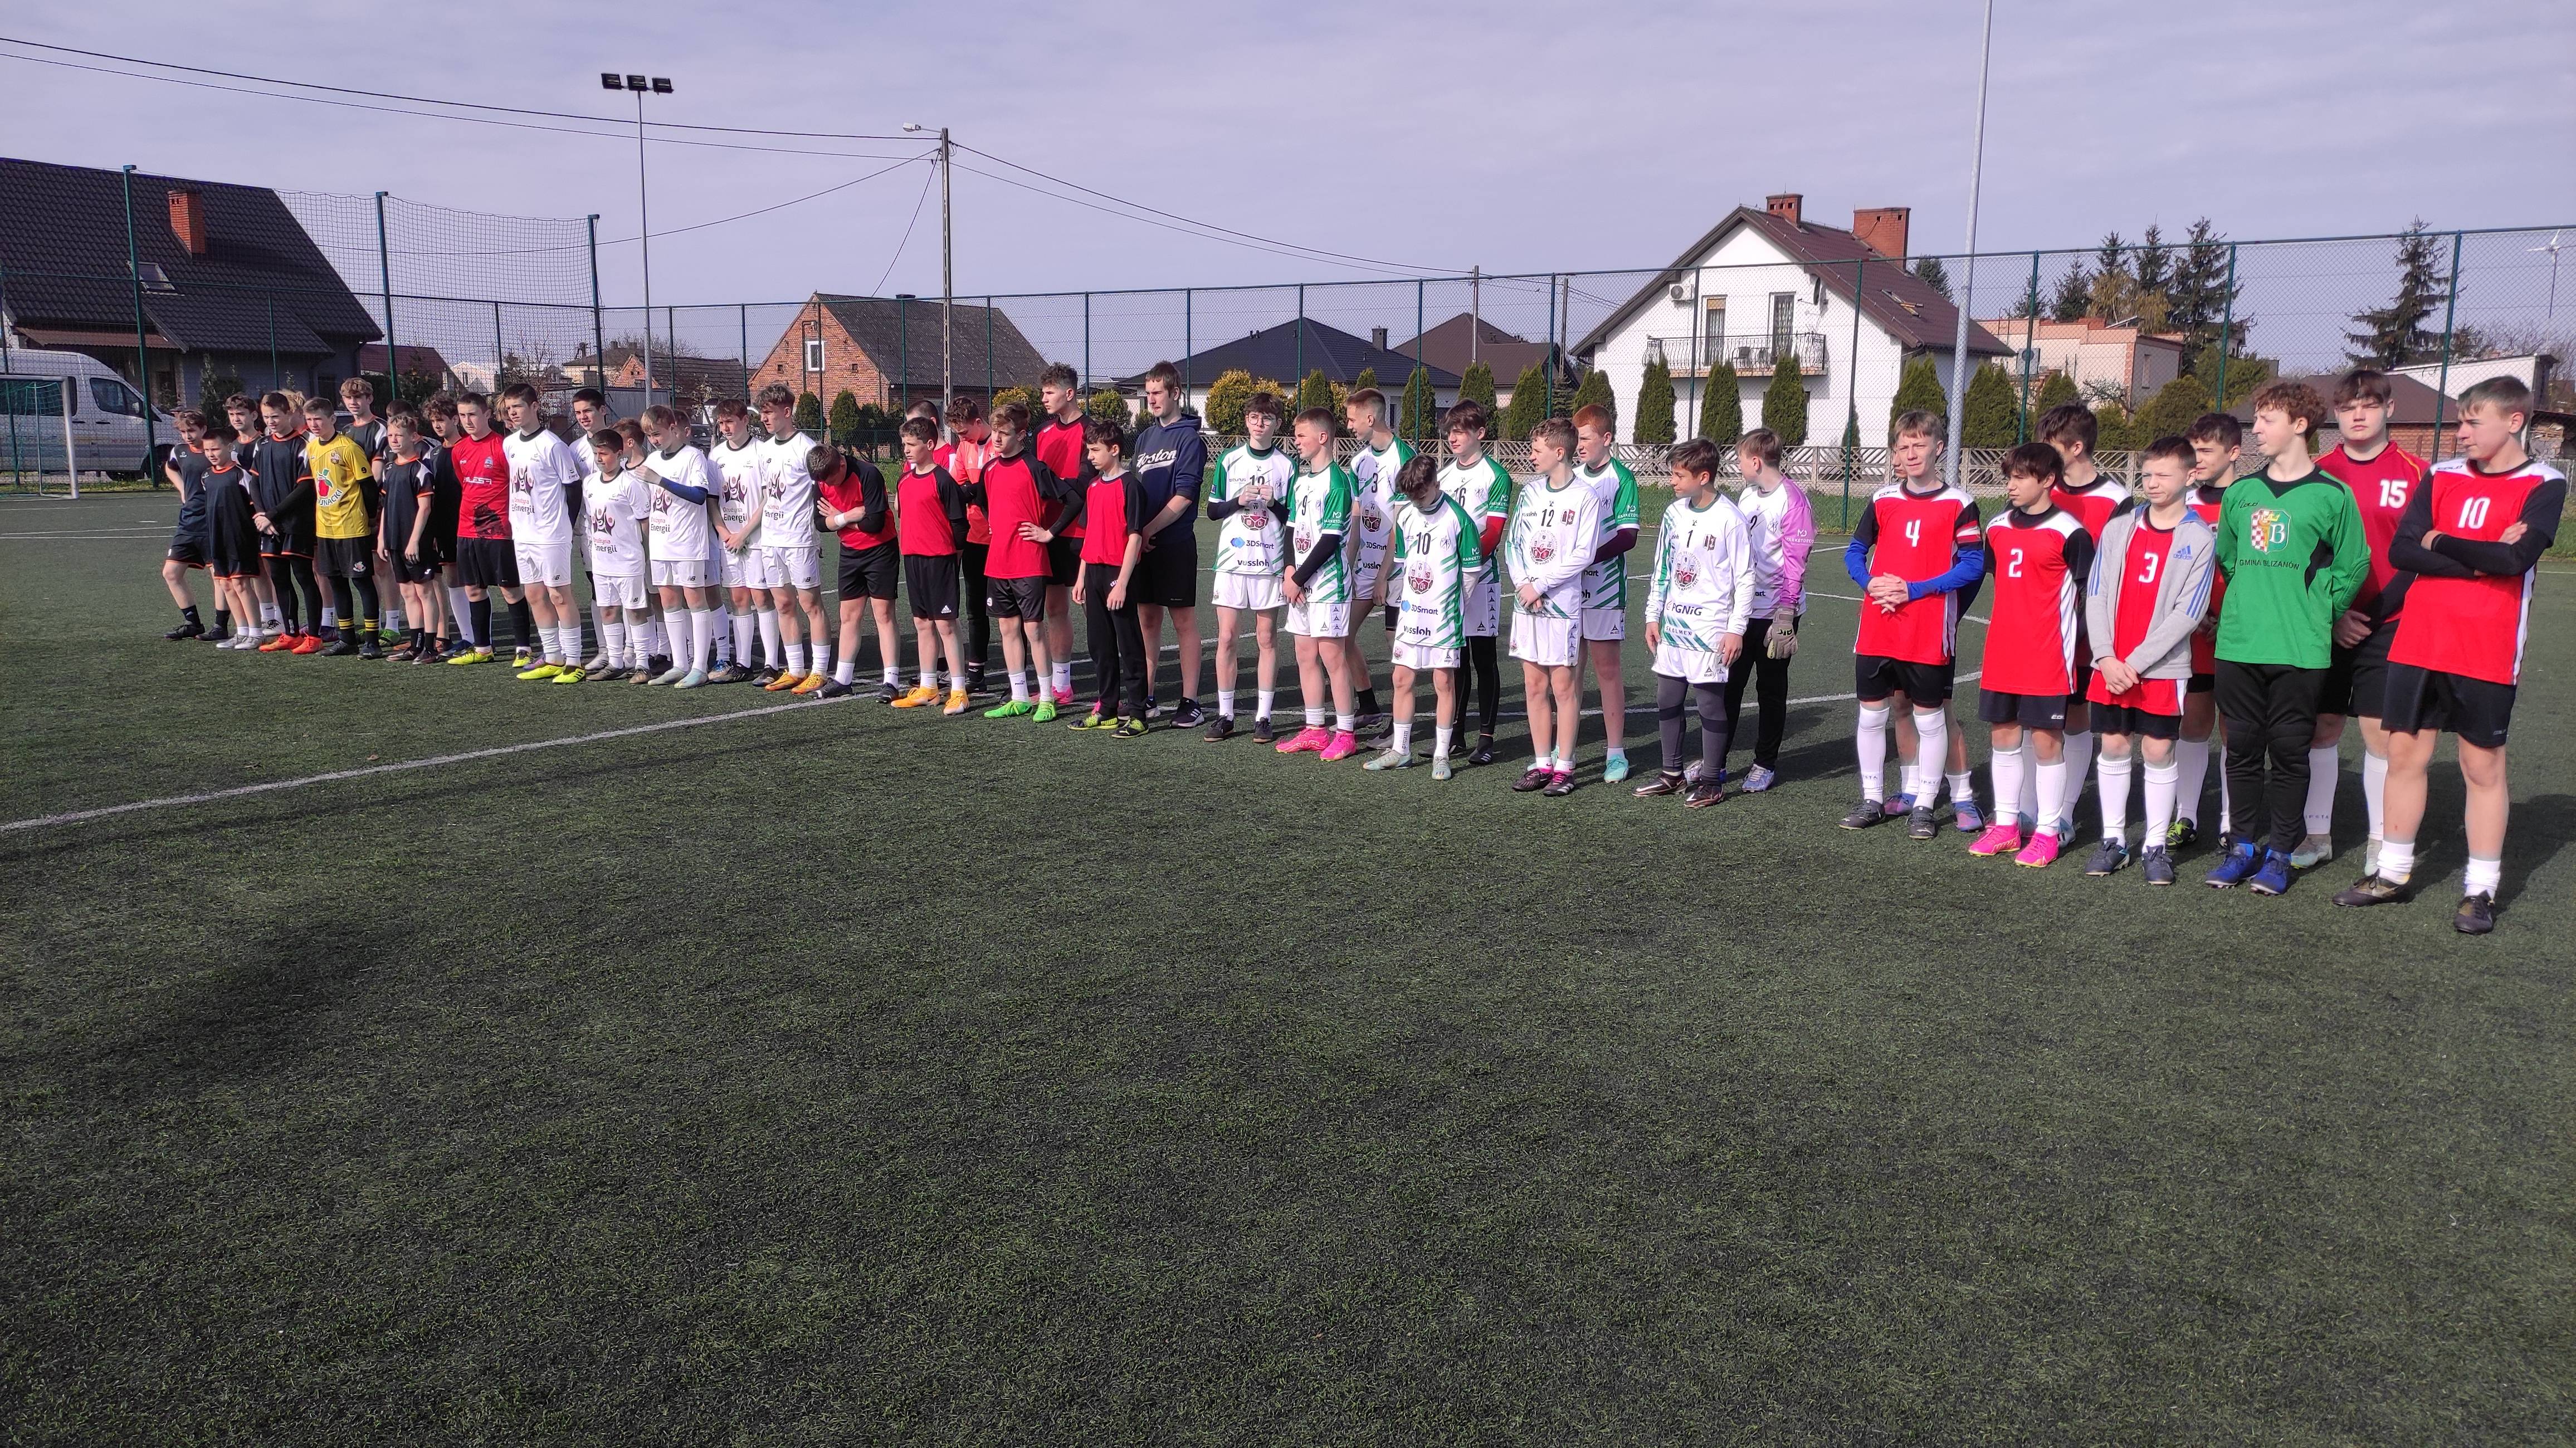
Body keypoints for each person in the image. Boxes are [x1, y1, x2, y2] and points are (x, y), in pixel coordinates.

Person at [2334, 376, 2564, 933]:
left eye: (2472, 422)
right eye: (2460, 421)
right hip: (2418, 640)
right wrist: (2482, 555)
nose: (2461, 433)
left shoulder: (2545, 482)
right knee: (2404, 756)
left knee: (2481, 766)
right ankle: (2391, 873)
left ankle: (2479, 890)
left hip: (2486, 647)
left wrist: (2440, 541)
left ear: (2514, 421)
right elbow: (2403, 550)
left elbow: (2516, 561)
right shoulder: (2440, 475)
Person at [2204, 379, 2368, 894]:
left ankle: (2280, 854)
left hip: (2300, 648)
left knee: (2291, 753)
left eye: (2266, 419)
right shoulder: (2241, 493)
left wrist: (2321, 612)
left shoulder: (2333, 495)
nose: (2255, 429)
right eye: (2256, 419)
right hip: (2239, 644)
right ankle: (2242, 848)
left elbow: (2354, 565)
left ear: (2299, 425)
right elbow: (2229, 559)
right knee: (2241, 750)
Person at [2304, 368, 2431, 872]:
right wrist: (2334, 614)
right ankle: (2316, 834)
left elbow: (2420, 555)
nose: (2359, 415)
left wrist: (2374, 616)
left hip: (2392, 621)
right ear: (2336, 414)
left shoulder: (2419, 473)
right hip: (2326, 621)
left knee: (2380, 733)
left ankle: (2381, 839)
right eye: (2348, 407)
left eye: (2370, 405)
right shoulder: (2317, 472)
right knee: (2323, 726)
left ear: (2389, 409)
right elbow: (2308, 556)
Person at [1841, 410, 1985, 836]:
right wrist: (1869, 583)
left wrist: (1914, 589)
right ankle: (1872, 799)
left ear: (1939, 447)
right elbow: (1855, 551)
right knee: (1872, 716)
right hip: (1878, 625)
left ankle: (1925, 805)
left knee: (1930, 719)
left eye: (1919, 444)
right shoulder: (1882, 498)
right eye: (1903, 446)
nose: (1911, 453)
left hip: (1926, 628)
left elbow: (1973, 565)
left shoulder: (1959, 503)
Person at [2081, 437, 2217, 884]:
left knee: (2158, 749)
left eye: (2163, 474)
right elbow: (2096, 593)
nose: (2153, 483)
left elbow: (2189, 613)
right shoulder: (2120, 528)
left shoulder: (2199, 537)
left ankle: (2156, 846)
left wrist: (2135, 663)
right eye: (2147, 474)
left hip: (2160, 668)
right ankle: (2114, 841)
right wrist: (2106, 656)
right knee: (2114, 745)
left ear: (2190, 476)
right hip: (2112, 664)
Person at [1966, 443, 2094, 868]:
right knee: (2003, 738)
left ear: (2048, 480)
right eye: (2010, 477)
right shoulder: (1998, 527)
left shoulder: (2070, 532)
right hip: (2003, 653)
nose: (2011, 485)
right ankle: (2006, 826)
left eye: (2021, 477)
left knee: (2046, 743)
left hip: (2047, 657)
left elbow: (2091, 595)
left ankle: (2048, 832)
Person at [1632, 438, 1753, 808]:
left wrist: (1736, 628)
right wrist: (1652, 615)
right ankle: (1672, 774)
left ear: (1703, 477)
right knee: (1667, 698)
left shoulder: (1730, 518)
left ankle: (1713, 780)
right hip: (1673, 625)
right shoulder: (1673, 513)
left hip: (1709, 628)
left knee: (1709, 705)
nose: (1672, 481)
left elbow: (1745, 577)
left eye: (1679, 475)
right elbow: (1662, 568)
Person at [2039, 400, 2134, 844]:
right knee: (2037, 719)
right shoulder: (2043, 488)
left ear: (2076, 448)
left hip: (2088, 627)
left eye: (2051, 445)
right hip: (2043, 627)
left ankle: (2064, 814)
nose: (2043, 453)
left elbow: (2119, 568)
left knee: (2076, 714)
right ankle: (2029, 811)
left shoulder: (2116, 499)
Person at [1506, 417, 1604, 796]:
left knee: (1563, 687)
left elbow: (1584, 553)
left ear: (1559, 452)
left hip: (1561, 605)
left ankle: (1565, 767)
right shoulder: (1529, 493)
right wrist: (1523, 584)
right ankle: (1541, 763)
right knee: (1534, 684)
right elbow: (1514, 544)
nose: (1531, 457)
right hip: (1527, 603)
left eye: (1537, 451)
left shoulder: (1585, 497)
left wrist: (1541, 585)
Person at [1366, 454, 1480, 777]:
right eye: (1410, 495)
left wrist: (1452, 606)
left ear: (1435, 483)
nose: (1416, 500)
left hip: (1443, 618)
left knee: (1443, 682)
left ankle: (1441, 755)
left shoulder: (1459, 519)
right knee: (1401, 679)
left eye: (1422, 493)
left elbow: (1471, 573)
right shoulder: (1406, 516)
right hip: (1412, 614)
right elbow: (1404, 565)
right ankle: (1400, 750)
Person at [1716, 427, 1816, 796]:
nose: (1738, 465)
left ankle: (1765, 763)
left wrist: (1786, 613)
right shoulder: (1747, 495)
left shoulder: (1793, 501)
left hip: (1776, 614)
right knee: (1728, 686)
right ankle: (1716, 760)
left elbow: (1796, 564)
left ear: (1756, 461)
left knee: (1770, 690)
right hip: (1743, 610)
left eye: (1741, 459)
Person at [1041, 415, 1152, 737]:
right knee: (1100, 645)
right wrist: (1081, 577)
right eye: (1088, 450)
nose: (1089, 457)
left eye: (1095, 450)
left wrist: (1123, 583)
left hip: (1119, 575)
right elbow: (1089, 535)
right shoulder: (1092, 487)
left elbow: (1135, 537)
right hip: (1094, 574)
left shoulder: (1131, 486)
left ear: (1114, 450)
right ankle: (1107, 709)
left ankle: (1138, 714)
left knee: (1129, 644)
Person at [972, 400, 1073, 719]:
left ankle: (1047, 698)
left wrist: (1049, 533)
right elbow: (984, 502)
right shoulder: (989, 470)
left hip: (1029, 562)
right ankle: (1019, 696)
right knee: (1007, 628)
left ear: (1022, 434)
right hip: (998, 562)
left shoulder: (1034, 467)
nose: (997, 439)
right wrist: (993, 522)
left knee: (1034, 630)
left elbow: (1073, 500)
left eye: (1004, 433)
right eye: (995, 432)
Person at [1204, 389, 1295, 742]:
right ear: (1246, 421)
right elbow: (1212, 510)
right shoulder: (1229, 460)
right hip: (1231, 562)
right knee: (1227, 637)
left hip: (1269, 563)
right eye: (1255, 418)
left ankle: (1264, 717)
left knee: (1266, 638)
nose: (1260, 424)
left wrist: (1273, 504)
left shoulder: (1287, 465)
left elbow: (1293, 519)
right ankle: (1225, 715)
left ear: (1277, 424)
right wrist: (1238, 500)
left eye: (1267, 419)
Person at [2172, 412, 2242, 849]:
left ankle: (2231, 822)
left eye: (2206, 450)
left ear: (2233, 453)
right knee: (2193, 723)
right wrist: (2195, 615)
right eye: (2192, 450)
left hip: (2239, 633)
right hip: (2193, 631)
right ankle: (2186, 817)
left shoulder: (2252, 501)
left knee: (2234, 728)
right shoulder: (2184, 504)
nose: (2196, 459)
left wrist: (2229, 617)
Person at [1277, 405, 1363, 760]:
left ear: (1323, 437)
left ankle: (1346, 733)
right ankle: (1315, 728)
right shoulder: (1300, 481)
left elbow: (1330, 541)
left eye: (1301, 435)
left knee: (1332, 656)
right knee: (1304, 653)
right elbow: (1290, 529)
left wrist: (1297, 578)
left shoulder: (1338, 482)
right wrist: (1289, 570)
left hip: (1328, 584)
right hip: (1300, 583)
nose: (1296, 441)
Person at [1436, 398, 1513, 767]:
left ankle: (1486, 738)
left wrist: (1464, 562)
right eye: (1450, 431)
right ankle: (1455, 735)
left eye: (1461, 431)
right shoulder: (1443, 477)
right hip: (1448, 580)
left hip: (1481, 580)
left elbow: (1494, 532)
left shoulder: (1496, 476)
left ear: (1480, 433)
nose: (1453, 438)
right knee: (1456, 658)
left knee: (1483, 658)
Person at [1130, 362, 1207, 726]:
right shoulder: (1145, 438)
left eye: (1158, 392)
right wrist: (1136, 532)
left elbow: (1184, 496)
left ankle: (1190, 701)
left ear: (1175, 392)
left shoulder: (1189, 439)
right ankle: (1146, 697)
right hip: (1144, 545)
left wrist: (1148, 530)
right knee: (1147, 619)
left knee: (1183, 621)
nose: (1152, 399)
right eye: (1148, 393)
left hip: (1174, 543)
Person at [1569, 404, 1641, 783]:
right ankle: (1565, 749)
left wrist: (1586, 557)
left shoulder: (1621, 478)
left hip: (1605, 588)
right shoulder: (1572, 478)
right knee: (1569, 668)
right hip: (1569, 588)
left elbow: (1628, 536)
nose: (1579, 445)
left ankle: (1616, 753)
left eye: (1585, 438)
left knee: (1607, 670)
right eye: (1576, 438)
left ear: (1607, 438)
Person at [497, 383, 586, 681]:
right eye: (509, 408)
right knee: (534, 595)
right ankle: (553, 656)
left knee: (559, 595)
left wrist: (566, 525)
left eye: (518, 406)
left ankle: (574, 661)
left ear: (535, 407)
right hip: (523, 534)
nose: (513, 413)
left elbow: (573, 488)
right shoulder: (510, 444)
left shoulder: (552, 445)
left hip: (550, 535)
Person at [442, 392, 535, 668]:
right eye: (462, 416)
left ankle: (524, 648)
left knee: (510, 590)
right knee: (473, 590)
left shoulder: (503, 446)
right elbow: (465, 484)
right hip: (467, 530)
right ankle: (482, 648)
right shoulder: (459, 450)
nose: (467, 421)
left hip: (499, 531)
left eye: (472, 414)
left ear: (487, 415)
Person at [633, 404, 718, 688]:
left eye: (657, 434)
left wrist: (659, 480)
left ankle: (700, 666)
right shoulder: (652, 460)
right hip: (661, 544)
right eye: (649, 436)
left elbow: (699, 495)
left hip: (688, 543)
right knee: (669, 602)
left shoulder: (693, 456)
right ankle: (679, 664)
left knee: (695, 602)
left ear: (673, 428)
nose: (654, 440)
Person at [1344, 387, 1413, 736]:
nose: (1349, 426)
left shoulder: (1404, 458)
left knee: (1396, 646)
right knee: (1342, 634)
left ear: (1370, 419)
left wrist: (1384, 575)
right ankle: (1369, 705)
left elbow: (1402, 525)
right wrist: (1347, 563)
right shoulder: (1358, 462)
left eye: (1352, 419)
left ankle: (1401, 726)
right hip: (1365, 567)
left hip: (1397, 569)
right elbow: (1357, 517)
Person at [890, 415, 970, 715]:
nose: (907, 450)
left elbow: (959, 525)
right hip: (913, 560)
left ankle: (959, 691)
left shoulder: (943, 480)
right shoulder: (903, 480)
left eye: (912, 445)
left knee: (946, 625)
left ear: (930, 445)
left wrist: (953, 558)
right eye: (904, 444)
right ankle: (929, 687)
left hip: (940, 561)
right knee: (922, 624)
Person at [753, 383, 830, 694]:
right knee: (783, 604)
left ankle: (820, 671)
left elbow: (824, 490)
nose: (764, 419)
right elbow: (766, 494)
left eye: (769, 413)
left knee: (810, 604)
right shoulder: (765, 450)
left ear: (787, 412)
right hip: (771, 540)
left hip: (799, 540)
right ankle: (795, 669)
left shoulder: (806, 448)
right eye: (762, 413)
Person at [813, 441, 901, 701]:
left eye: (832, 480)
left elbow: (875, 524)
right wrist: (848, 516)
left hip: (880, 551)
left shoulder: (868, 474)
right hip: (850, 552)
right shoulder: (821, 479)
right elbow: (820, 523)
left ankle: (891, 681)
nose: (829, 486)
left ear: (842, 464)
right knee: (848, 616)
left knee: (883, 614)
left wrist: (837, 519)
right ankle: (843, 679)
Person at [302, 395, 383, 657]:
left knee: (362, 582)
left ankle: (372, 642)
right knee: (336, 582)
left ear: (332, 419)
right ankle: (347, 639)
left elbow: (369, 487)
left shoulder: (349, 448)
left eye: (318, 419)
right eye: (309, 420)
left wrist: (369, 518)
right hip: (326, 528)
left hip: (352, 527)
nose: (314, 425)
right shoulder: (312, 449)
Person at [246, 391, 325, 654]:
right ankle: (290, 633)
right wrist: (261, 514)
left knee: (304, 577)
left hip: (296, 524)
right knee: (279, 578)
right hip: (269, 524)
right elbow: (254, 481)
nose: (270, 422)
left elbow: (305, 488)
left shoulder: (303, 444)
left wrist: (272, 514)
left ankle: (314, 636)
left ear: (289, 413)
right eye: (267, 417)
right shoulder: (262, 444)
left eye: (275, 416)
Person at [707, 398, 775, 685]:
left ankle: (771, 664)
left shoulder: (761, 451)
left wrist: (744, 533)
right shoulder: (716, 456)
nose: (725, 428)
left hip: (756, 538)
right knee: (738, 599)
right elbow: (712, 500)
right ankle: (743, 663)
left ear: (746, 420)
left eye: (730, 422)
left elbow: (767, 499)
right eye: (721, 423)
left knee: (762, 597)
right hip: (729, 540)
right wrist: (724, 533)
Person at [578, 425, 655, 682]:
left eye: (604, 454)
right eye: (596, 454)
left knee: (635, 611)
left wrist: (646, 553)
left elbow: (645, 522)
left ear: (619, 454)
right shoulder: (589, 483)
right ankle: (615, 662)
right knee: (608, 611)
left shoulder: (630, 484)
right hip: (602, 561)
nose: (599, 459)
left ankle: (642, 664)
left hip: (628, 561)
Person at [1033, 364, 1090, 706]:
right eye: (1043, 392)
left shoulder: (1090, 431)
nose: (1044, 398)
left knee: (1093, 609)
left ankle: (1113, 681)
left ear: (1069, 394)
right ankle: (1062, 683)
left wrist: (1053, 488)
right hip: (1049, 532)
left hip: (1083, 530)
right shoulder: (1042, 433)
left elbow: (1084, 485)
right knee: (1055, 607)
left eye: (1050, 392)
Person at [378, 409, 446, 662]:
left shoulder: (420, 470)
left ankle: (430, 647)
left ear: (414, 437)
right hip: (395, 542)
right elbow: (386, 507)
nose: (394, 440)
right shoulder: (389, 469)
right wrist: (382, 537)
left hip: (416, 543)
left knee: (424, 592)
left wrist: (415, 540)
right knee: (408, 593)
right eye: (391, 435)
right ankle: (415, 646)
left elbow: (425, 508)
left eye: (400, 435)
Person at [199, 422, 269, 650]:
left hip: (239, 537)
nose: (211, 454)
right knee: (226, 584)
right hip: (217, 537)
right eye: (207, 450)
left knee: (241, 584)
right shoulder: (206, 476)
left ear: (229, 447)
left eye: (216, 449)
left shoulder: (240, 474)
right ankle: (241, 632)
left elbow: (255, 505)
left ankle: (256, 633)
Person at [942, 395, 994, 695]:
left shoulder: (999, 442)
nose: (960, 438)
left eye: (963, 432)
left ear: (978, 422)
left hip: (1001, 538)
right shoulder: (964, 448)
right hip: (975, 537)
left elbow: (993, 488)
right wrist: (974, 491)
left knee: (1011, 612)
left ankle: (1021, 673)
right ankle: (976, 671)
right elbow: (957, 488)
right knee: (975, 607)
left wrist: (974, 490)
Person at [159, 408, 213, 640]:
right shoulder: (179, 451)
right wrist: (182, 489)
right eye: (183, 432)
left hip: (212, 521)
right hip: (188, 521)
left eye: (192, 431)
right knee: (171, 573)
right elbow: (170, 467)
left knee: (219, 577)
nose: (188, 436)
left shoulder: (214, 451)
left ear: (204, 429)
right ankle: (193, 623)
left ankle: (221, 625)